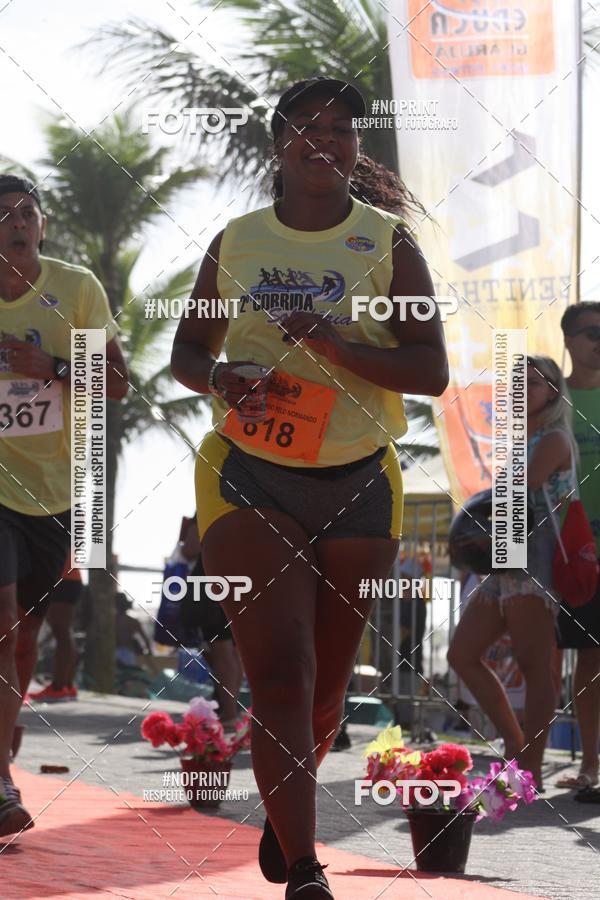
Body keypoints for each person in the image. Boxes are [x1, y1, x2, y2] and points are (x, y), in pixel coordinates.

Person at [171, 77, 448, 899]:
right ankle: (304, 868)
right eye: (304, 126)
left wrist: (334, 345)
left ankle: (280, 808)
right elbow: (188, 353)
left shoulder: (388, 242)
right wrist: (220, 378)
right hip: (249, 473)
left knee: (327, 691)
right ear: (277, 145)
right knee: (283, 676)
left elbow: (430, 371)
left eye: (340, 128)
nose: (322, 139)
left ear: (359, 150)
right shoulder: (238, 239)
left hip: (360, 476)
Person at [0, 174, 128, 837]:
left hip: (51, 495)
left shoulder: (74, 289)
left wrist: (47, 363)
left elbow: (115, 381)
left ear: (41, 227)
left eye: (27, 214)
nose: (17, 225)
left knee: (24, 640)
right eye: (3, 216)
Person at [448, 355, 576, 789]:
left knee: (535, 664)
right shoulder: (521, 440)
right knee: (461, 654)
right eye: (516, 384)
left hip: (534, 551)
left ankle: (531, 768)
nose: (522, 390)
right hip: (504, 551)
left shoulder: (556, 437)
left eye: (533, 383)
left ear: (553, 391)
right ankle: (517, 745)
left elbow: (520, 493)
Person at [555, 302, 600, 791]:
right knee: (587, 659)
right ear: (568, 338)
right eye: (592, 332)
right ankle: (590, 766)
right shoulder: (553, 399)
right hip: (571, 554)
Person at [179, 514, 243, 729]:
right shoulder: (246, 503)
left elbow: (190, 548)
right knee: (233, 651)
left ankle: (230, 713)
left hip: (210, 582)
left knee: (222, 650)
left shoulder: (209, 506)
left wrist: (184, 543)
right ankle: (231, 710)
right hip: (239, 580)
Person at [28, 555, 82, 702]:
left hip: (61, 577)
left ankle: (58, 688)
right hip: (70, 577)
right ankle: (67, 686)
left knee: (61, 631)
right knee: (64, 631)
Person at [115, 592, 153, 666]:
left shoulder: (111, 621)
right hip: (129, 654)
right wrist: (149, 651)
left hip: (113, 653)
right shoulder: (132, 621)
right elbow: (145, 639)